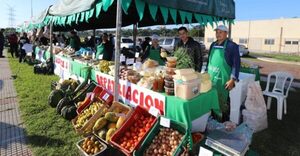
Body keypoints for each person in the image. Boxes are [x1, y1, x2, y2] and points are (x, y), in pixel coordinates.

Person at [206, 25, 241, 121]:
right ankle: (212, 120)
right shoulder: (213, 45)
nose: (218, 34)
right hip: (211, 79)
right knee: (211, 99)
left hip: (223, 81)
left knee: (223, 102)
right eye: (217, 32)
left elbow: (236, 64)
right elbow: (209, 61)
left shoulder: (232, 46)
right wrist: (205, 73)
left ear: (226, 33)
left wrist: (232, 80)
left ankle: (224, 122)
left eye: (221, 32)